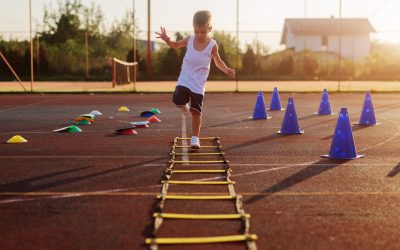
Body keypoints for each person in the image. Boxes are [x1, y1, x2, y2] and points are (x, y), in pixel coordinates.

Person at [155, 10, 235, 149]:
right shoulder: (189, 39)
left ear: (209, 28)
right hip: (185, 79)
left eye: (203, 32)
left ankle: (195, 139)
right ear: (193, 27)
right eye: (197, 31)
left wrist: (226, 70)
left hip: (198, 84)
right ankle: (184, 105)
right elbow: (175, 45)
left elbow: (218, 61)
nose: (199, 35)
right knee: (177, 99)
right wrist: (167, 39)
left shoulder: (212, 45)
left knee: (196, 112)